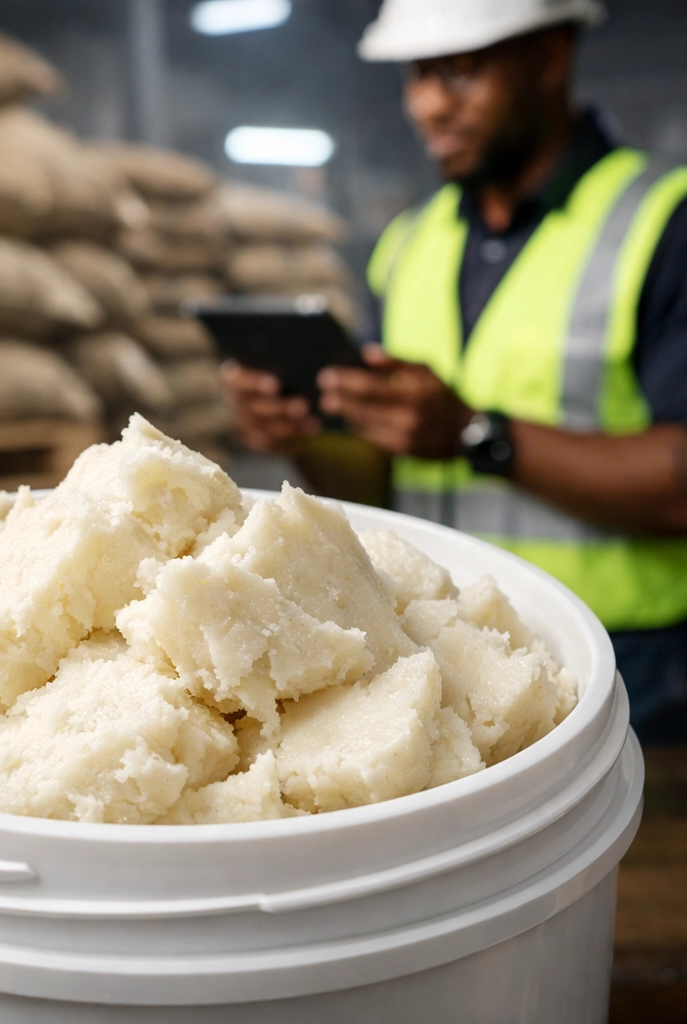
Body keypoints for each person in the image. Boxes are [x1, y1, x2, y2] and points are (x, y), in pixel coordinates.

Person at [222, 0, 687, 741]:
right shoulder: (410, 243)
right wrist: (305, 435)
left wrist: (474, 433)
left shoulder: (663, 221)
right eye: (417, 75)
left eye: (460, 73)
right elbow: (378, 490)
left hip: (635, 664)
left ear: (549, 58)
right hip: (449, 648)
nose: (429, 104)